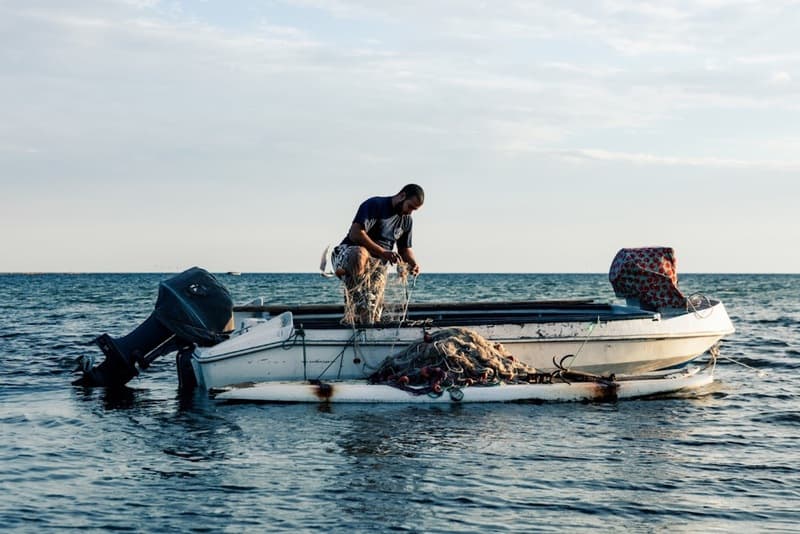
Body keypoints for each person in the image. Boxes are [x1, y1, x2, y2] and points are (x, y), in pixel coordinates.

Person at [332, 184, 424, 323]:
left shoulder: (406, 221)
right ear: (402, 196)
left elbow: (404, 250)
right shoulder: (375, 205)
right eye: (410, 206)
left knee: (372, 316)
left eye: (414, 210)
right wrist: (383, 252)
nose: (410, 212)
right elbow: (356, 233)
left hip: (376, 266)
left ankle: (365, 320)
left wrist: (413, 264)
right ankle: (348, 278)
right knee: (360, 253)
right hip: (348, 253)